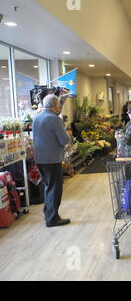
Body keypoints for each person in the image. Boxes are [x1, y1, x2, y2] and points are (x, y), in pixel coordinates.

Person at [32, 94, 71, 227]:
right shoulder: (54, 119)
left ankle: (48, 213)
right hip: (52, 159)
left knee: (48, 186)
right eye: (59, 105)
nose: (60, 107)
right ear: (55, 106)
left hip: (40, 158)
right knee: (55, 188)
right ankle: (52, 218)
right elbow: (64, 140)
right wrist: (68, 135)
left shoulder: (37, 117)